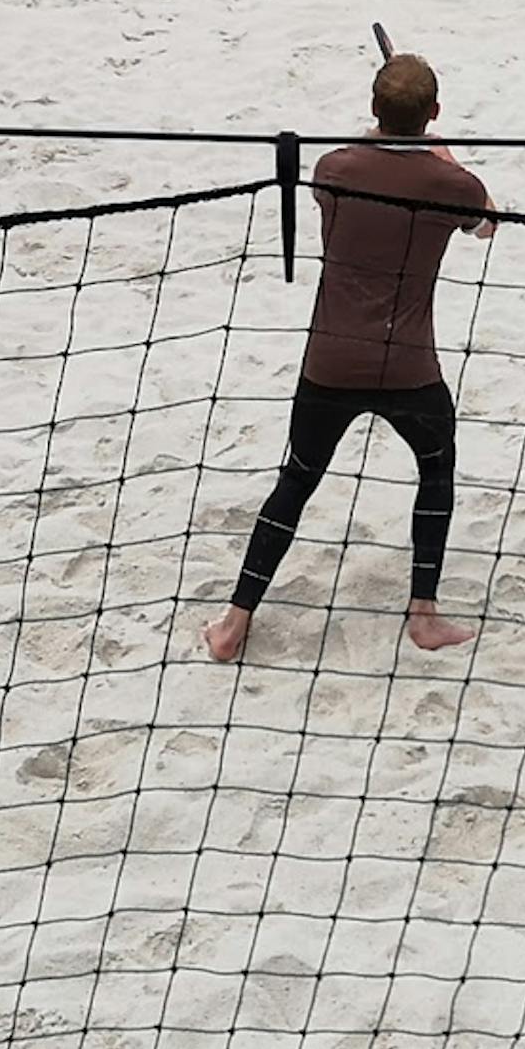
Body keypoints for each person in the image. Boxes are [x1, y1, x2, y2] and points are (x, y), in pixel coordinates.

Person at [203, 52, 495, 662]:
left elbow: (357, 160)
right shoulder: (451, 186)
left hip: (330, 362)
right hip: (408, 366)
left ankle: (234, 621)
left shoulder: (333, 168)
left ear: (372, 111)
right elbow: (486, 223)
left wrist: (395, 143)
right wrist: (442, 158)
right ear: (434, 114)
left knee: (296, 483)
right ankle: (424, 613)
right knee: (436, 473)